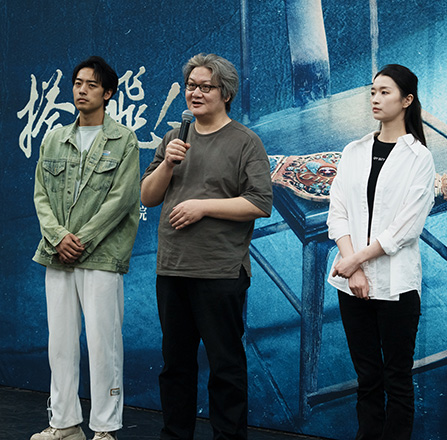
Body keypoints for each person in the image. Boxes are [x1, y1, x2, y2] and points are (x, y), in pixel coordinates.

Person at [140, 53, 272, 440]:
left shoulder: (245, 142)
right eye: (191, 86)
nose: (195, 93)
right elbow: (148, 196)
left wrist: (203, 207)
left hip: (220, 271)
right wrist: (168, 164)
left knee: (225, 366)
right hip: (173, 268)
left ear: (225, 93)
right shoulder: (173, 139)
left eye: (205, 87)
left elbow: (259, 203)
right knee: (175, 365)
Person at [31, 56, 141, 440]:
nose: (82, 90)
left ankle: (105, 429)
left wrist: (82, 239)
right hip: (57, 254)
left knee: (103, 344)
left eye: (92, 85)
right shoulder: (54, 138)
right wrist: (58, 237)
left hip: (101, 256)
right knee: (60, 344)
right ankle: (64, 424)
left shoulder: (123, 140)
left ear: (108, 93)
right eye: (78, 83)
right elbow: (41, 195)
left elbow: (122, 199)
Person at [327, 64, 436, 440]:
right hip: (351, 284)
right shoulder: (354, 151)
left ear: (407, 100)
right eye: (373, 91)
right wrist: (353, 268)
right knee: (367, 378)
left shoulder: (419, 158)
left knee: (397, 378)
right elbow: (338, 212)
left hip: (396, 286)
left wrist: (355, 261)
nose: (375, 98)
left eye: (385, 92)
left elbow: (406, 228)